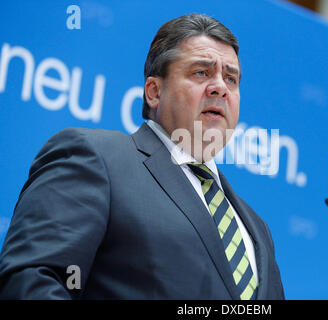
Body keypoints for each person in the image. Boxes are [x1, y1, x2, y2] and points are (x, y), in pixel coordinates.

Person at [0, 13, 284, 300]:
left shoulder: (256, 228)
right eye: (201, 72)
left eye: (231, 78)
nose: (220, 87)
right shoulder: (96, 158)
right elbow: (32, 281)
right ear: (154, 92)